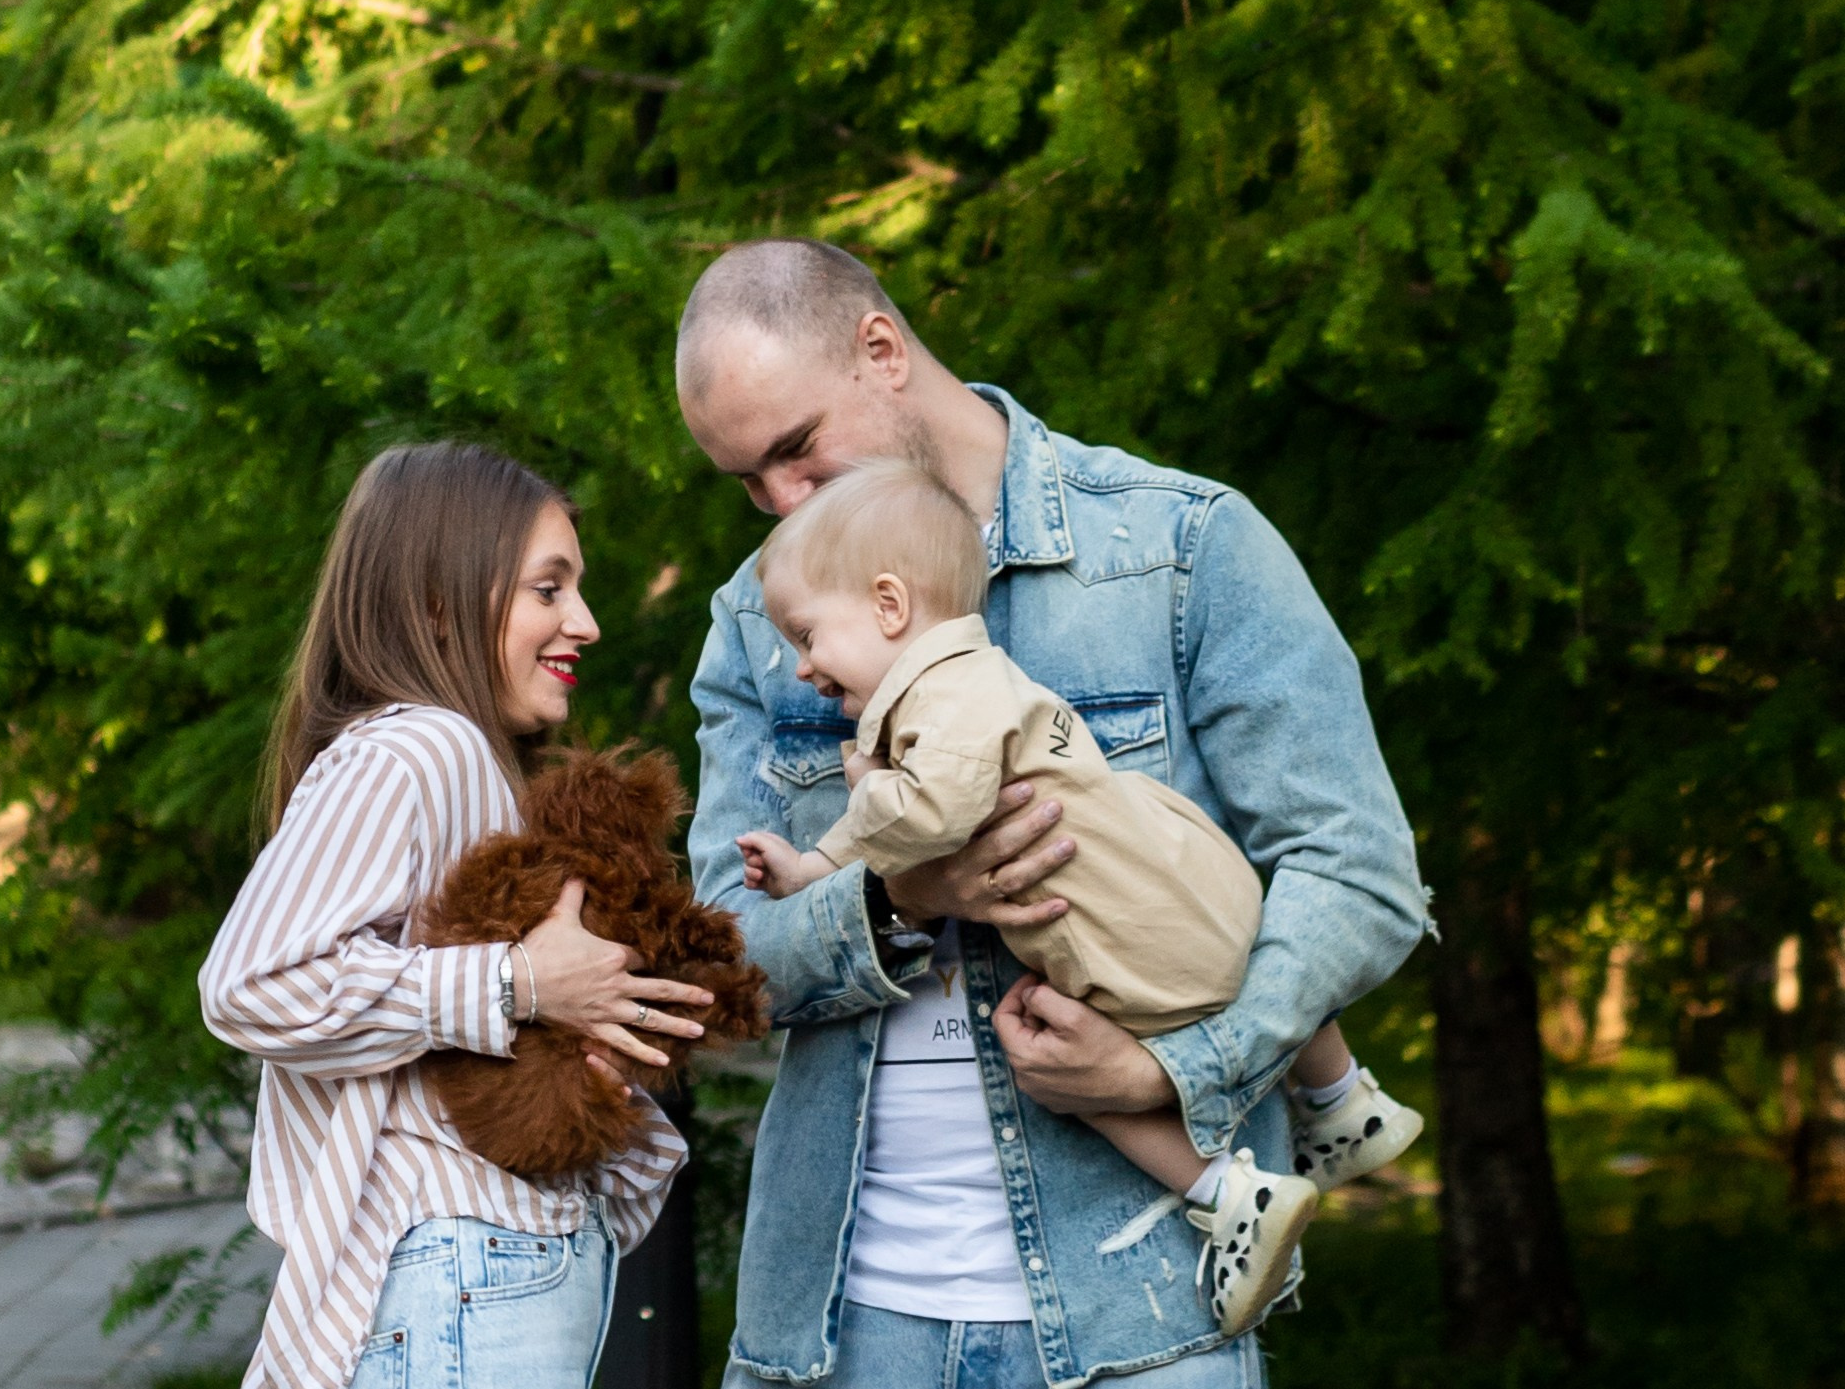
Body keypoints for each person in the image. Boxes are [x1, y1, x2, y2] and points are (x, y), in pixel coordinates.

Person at [681, 240, 1429, 1389]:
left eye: (795, 450)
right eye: (747, 481)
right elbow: (718, 959)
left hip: (1142, 1313)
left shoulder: (1181, 546)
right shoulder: (753, 620)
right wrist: (893, 898)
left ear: (881, 350)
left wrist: (1179, 1070)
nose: (780, 505)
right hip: (835, 1329)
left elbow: (1356, 874)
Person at [199, 442, 718, 1389]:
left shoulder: (465, 760)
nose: (586, 623)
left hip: (494, 1266)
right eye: (547, 589)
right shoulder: (419, 748)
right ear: (440, 601)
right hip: (470, 1270)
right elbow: (251, 984)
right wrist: (517, 983)